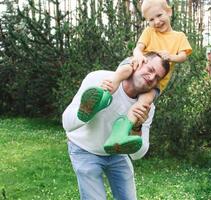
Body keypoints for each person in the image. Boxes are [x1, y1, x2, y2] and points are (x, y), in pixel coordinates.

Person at [77, 0, 192, 154]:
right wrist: (137, 56)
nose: (156, 22)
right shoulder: (149, 32)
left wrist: (171, 56)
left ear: (169, 12)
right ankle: (101, 99)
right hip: (139, 66)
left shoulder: (179, 36)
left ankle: (121, 133)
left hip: (157, 83)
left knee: (143, 104)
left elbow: (183, 56)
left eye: (159, 15)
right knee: (123, 72)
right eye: (151, 19)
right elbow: (138, 48)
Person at [62, 52, 170, 200]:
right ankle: (96, 105)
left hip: (116, 153)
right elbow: (67, 124)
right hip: (84, 148)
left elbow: (137, 155)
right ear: (138, 63)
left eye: (157, 77)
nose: (152, 78)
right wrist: (88, 110)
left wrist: (137, 127)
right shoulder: (98, 78)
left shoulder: (146, 107)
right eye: (150, 70)